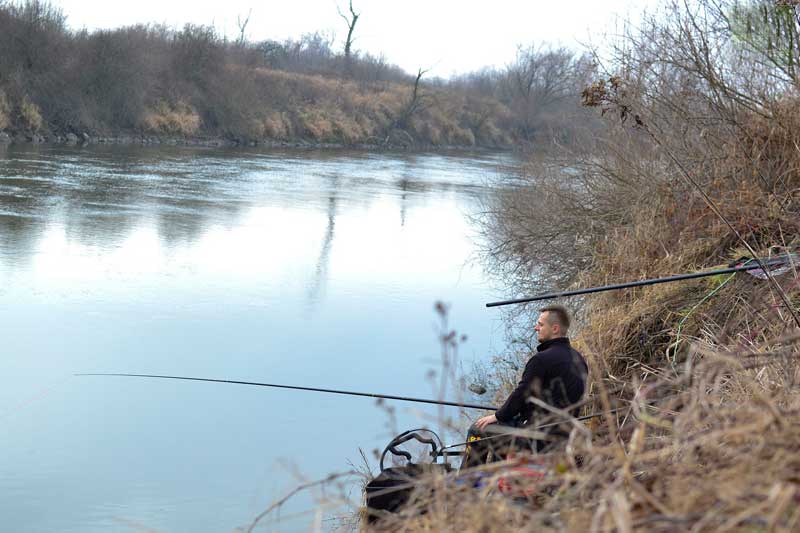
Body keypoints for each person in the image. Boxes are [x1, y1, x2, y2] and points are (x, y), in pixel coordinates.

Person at [461, 305, 588, 467]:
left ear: (555, 328)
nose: (536, 328)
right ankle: (500, 477)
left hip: (536, 438)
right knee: (505, 426)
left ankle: (468, 484)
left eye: (541, 324)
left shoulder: (542, 359)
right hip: (566, 435)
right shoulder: (579, 359)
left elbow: (522, 393)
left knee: (477, 430)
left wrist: (498, 416)